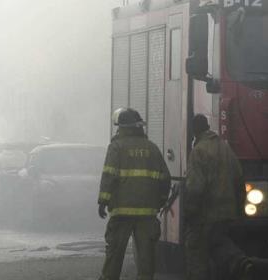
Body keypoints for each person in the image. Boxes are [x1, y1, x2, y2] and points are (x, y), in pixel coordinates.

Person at [98, 108, 171, 280]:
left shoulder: (116, 147)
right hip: (147, 214)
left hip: (121, 213)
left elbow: (109, 175)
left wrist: (103, 201)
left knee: (114, 254)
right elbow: (165, 178)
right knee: (146, 259)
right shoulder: (152, 148)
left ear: (125, 128)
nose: (118, 131)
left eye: (119, 128)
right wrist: (160, 201)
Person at [184, 114, 251, 280]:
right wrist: (239, 210)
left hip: (205, 214)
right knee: (219, 244)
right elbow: (239, 180)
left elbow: (195, 188)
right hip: (227, 213)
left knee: (196, 253)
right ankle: (241, 263)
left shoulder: (198, 151)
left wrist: (190, 212)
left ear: (194, 131)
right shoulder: (225, 148)